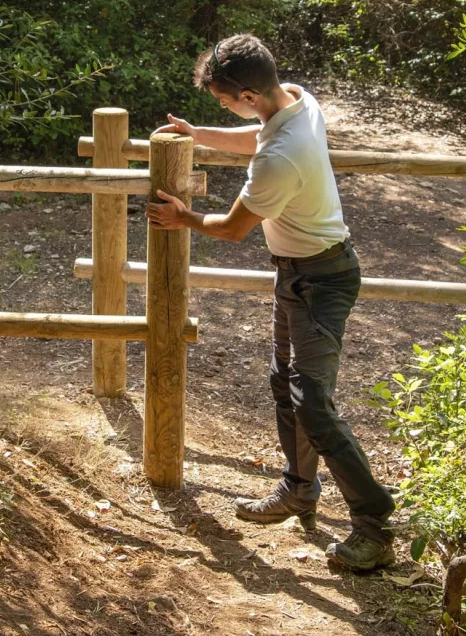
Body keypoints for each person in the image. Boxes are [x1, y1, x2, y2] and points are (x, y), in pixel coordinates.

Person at [144, 33, 396, 572]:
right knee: (286, 383)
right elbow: (253, 138)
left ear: (249, 95)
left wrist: (182, 217)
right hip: (301, 274)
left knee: (314, 405)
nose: (222, 107)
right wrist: (199, 133)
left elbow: (234, 228)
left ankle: (374, 524)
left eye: (223, 101)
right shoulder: (297, 101)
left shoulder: (281, 157)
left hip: (320, 281)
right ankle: (299, 489)